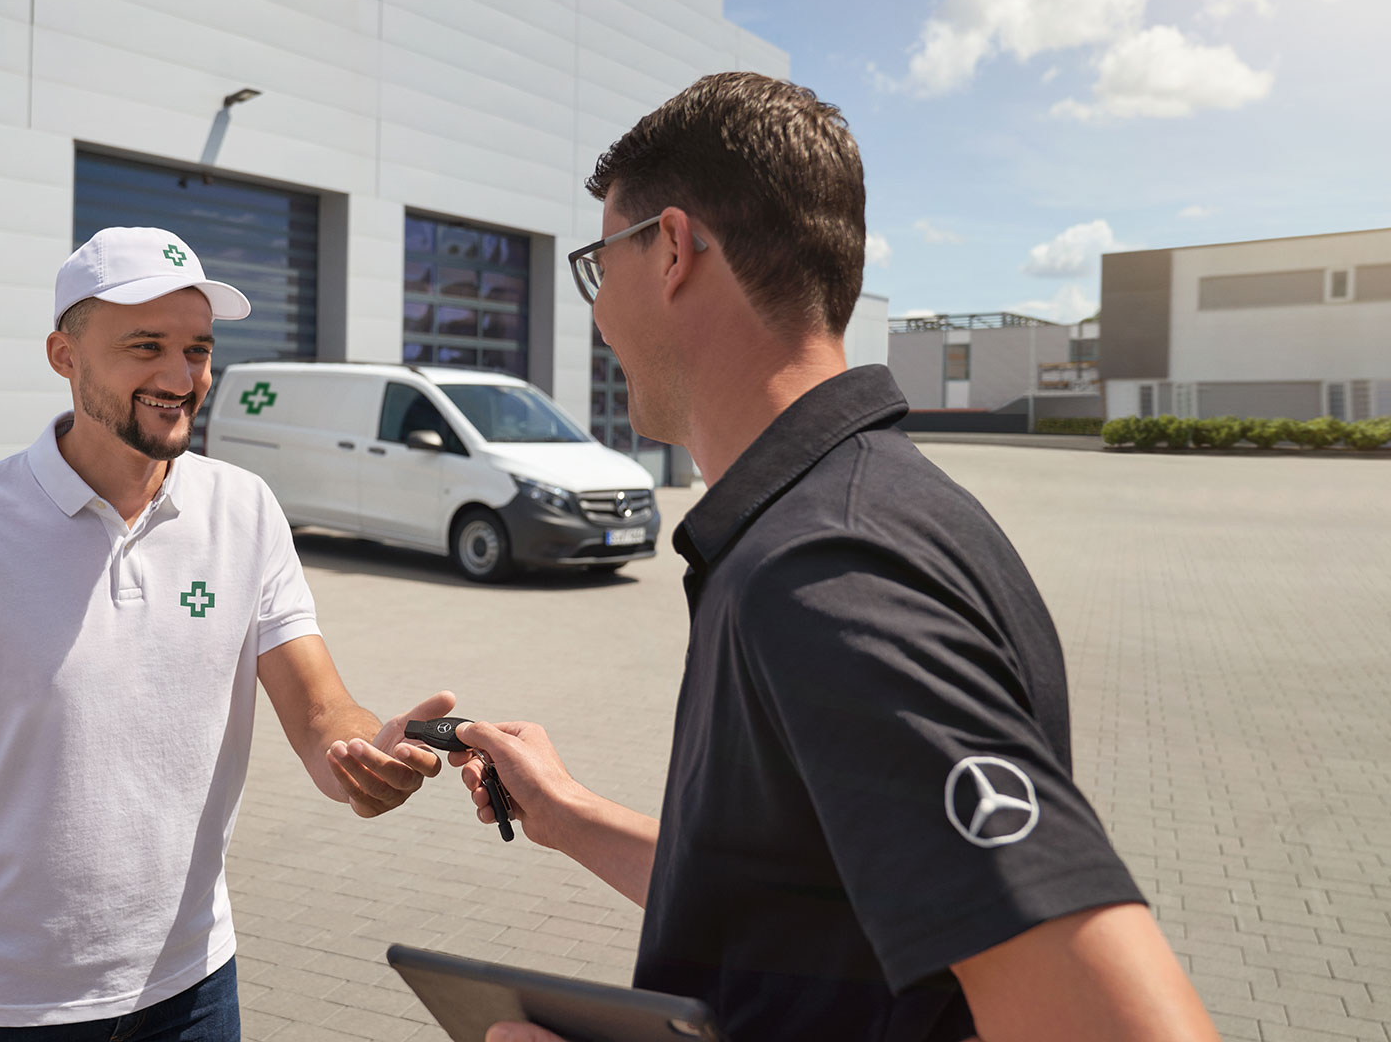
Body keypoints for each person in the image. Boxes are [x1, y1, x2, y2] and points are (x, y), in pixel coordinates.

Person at [450, 74, 1221, 1042]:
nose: (599, 316)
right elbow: (824, 910)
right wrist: (566, 815)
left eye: (603, 262)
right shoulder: (864, 513)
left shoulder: (828, 575)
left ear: (675, 250)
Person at [0, 226, 453, 1041]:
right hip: (3, 1008)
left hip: (193, 990)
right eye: (144, 346)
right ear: (65, 355)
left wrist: (362, 756)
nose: (179, 376)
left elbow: (317, 711)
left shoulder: (244, 508)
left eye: (196, 349)